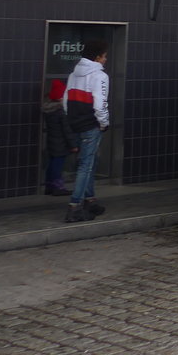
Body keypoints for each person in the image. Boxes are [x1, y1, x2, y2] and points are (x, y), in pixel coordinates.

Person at [62, 39, 110, 222]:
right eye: (104, 56)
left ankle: (90, 201)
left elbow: (66, 100)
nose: (105, 60)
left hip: (75, 124)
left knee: (89, 162)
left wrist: (72, 119)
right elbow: (100, 104)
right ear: (97, 57)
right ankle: (75, 206)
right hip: (91, 125)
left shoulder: (74, 74)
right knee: (86, 165)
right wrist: (104, 123)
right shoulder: (99, 76)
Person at [42, 78, 78, 196]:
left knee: (51, 164)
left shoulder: (49, 110)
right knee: (58, 165)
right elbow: (67, 131)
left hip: (52, 141)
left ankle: (49, 186)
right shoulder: (61, 112)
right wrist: (73, 145)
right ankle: (58, 187)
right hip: (61, 143)